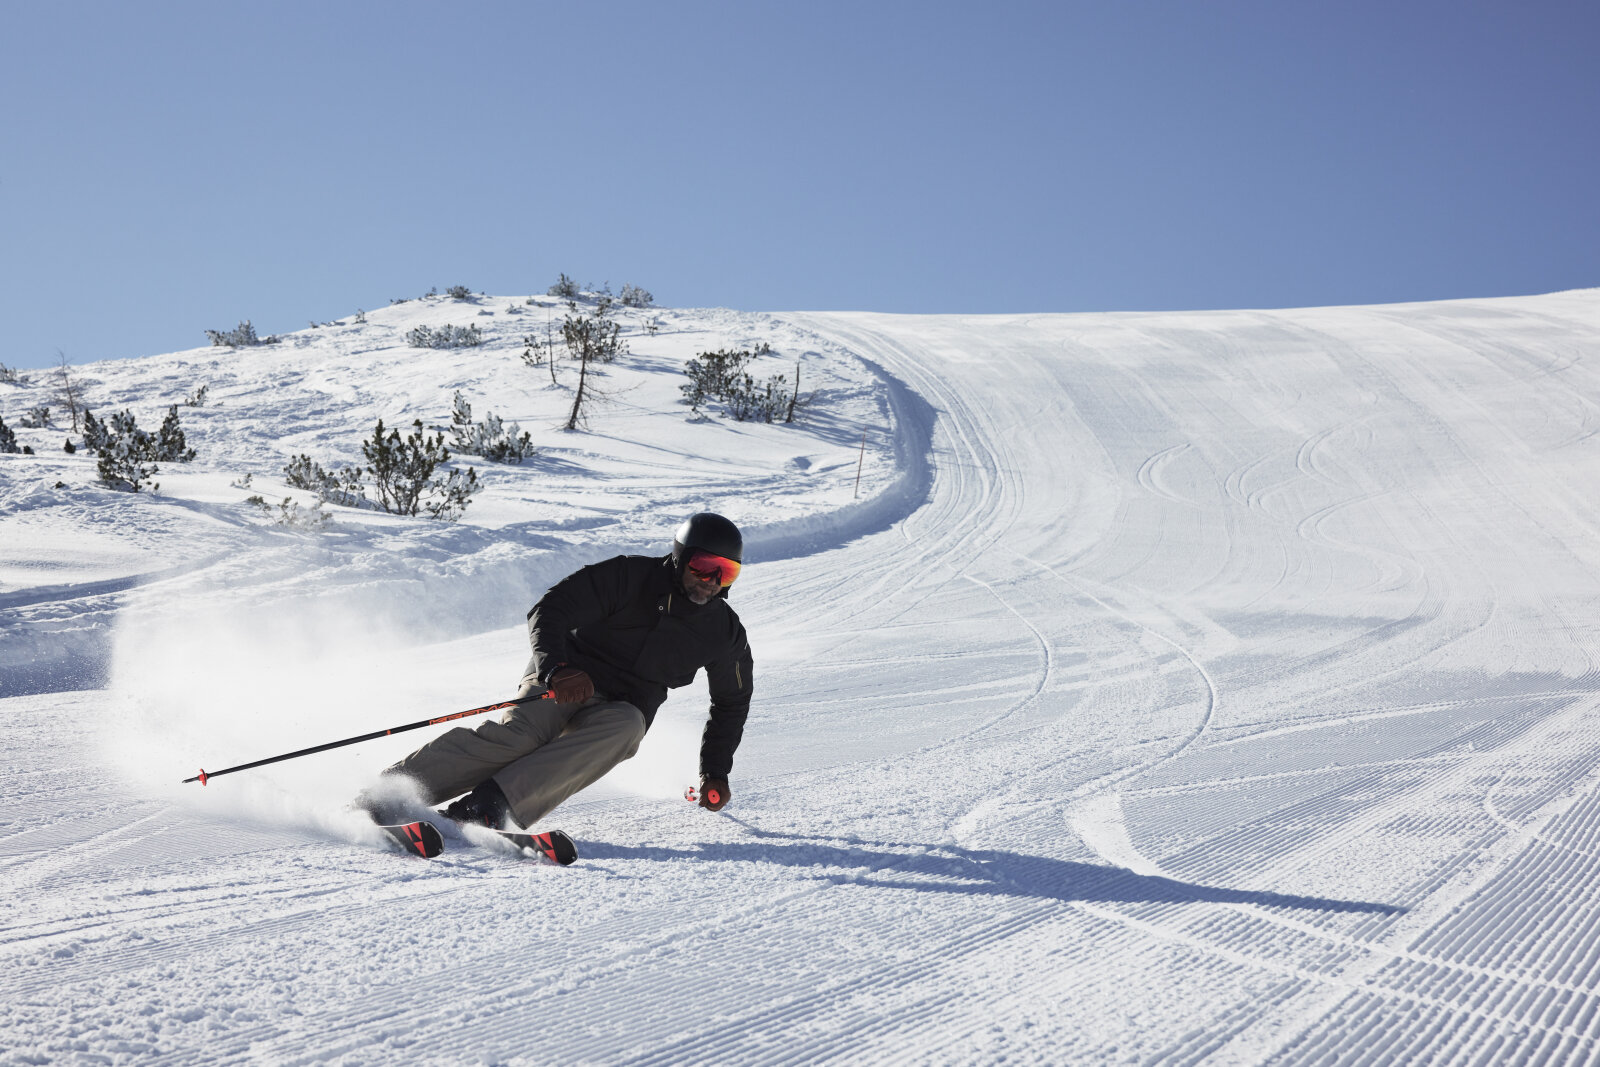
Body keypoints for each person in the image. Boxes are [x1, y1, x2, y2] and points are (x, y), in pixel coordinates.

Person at [365, 512, 754, 831]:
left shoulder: (724, 633)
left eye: (727, 573)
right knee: (520, 737)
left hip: (623, 704)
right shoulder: (630, 577)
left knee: (627, 728)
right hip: (568, 674)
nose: (713, 582)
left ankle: (488, 809)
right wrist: (556, 669)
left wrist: (715, 772)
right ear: (682, 557)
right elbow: (550, 609)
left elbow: (731, 703)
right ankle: (387, 795)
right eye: (704, 567)